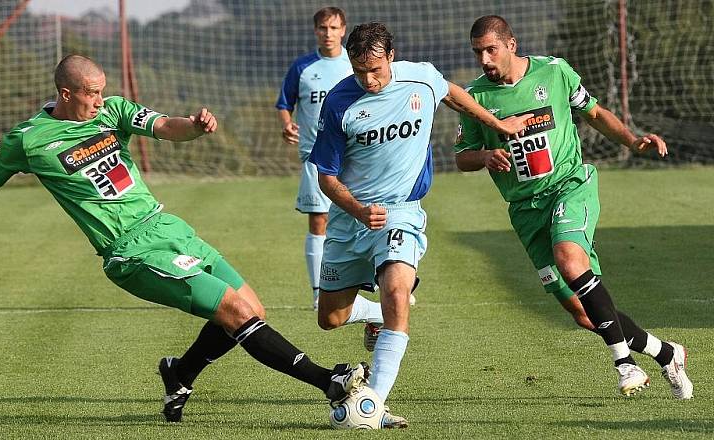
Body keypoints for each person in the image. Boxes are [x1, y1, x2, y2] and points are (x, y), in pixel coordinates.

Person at [0, 54, 370, 424]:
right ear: (66, 94)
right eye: (90, 92)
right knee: (236, 313)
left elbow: (164, 126)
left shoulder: (114, 110)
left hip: (167, 227)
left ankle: (180, 373)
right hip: (130, 252)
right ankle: (329, 381)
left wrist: (194, 126)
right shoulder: (30, 139)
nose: (99, 99)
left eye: (101, 90)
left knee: (253, 309)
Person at [454, 15, 693, 399]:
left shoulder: (554, 72)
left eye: (490, 50)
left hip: (569, 186)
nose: (484, 59)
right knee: (583, 313)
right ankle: (666, 353)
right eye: (477, 52)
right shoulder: (474, 97)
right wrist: (485, 156)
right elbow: (461, 158)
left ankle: (624, 364)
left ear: (511, 45)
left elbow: (594, 113)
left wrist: (632, 142)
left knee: (570, 258)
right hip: (524, 208)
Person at [310, 22, 532, 427]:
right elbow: (326, 176)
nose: (368, 79)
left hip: (401, 210)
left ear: (391, 56)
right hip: (351, 218)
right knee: (330, 319)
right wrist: (358, 209)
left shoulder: (421, 78)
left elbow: (454, 95)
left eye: (374, 69)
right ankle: (374, 314)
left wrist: (498, 126)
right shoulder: (339, 102)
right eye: (359, 70)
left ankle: (373, 400)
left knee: (397, 292)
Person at [276, 7, 353, 311]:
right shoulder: (303, 67)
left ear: (343, 30)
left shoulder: (355, 64)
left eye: (334, 28)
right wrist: (286, 125)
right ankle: (319, 291)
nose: (328, 33)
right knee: (319, 221)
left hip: (353, 155)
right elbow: (285, 103)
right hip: (314, 157)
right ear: (315, 31)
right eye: (323, 28)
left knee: (361, 218)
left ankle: (391, 279)